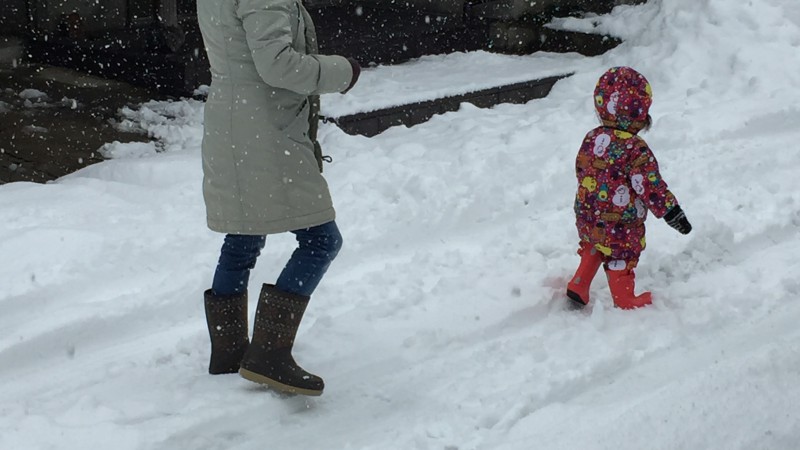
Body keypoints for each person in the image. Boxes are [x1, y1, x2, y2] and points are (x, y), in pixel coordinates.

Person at [196, 0, 361, 396]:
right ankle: (268, 353)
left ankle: (230, 349)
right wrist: (343, 71)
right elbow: (278, 66)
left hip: (233, 122)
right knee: (322, 240)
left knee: (244, 234)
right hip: (267, 131)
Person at [566, 66, 692, 310]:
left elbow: (582, 169)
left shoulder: (592, 137)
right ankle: (624, 299)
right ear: (639, 112)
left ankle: (579, 282)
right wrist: (671, 212)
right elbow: (650, 187)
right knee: (621, 253)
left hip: (588, 212)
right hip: (620, 221)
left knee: (595, 243)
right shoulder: (636, 149)